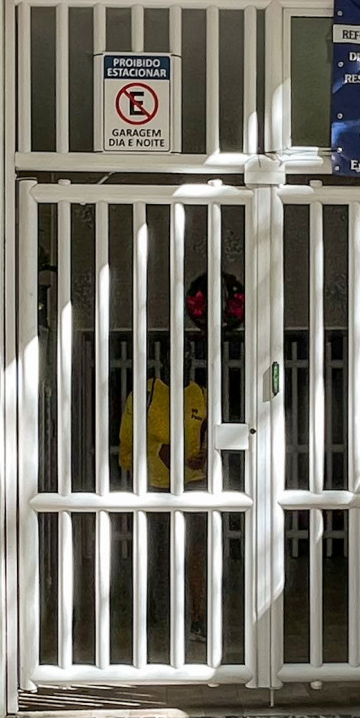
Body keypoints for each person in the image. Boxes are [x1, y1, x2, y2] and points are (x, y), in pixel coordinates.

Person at [118, 271, 241, 647]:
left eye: (186, 358)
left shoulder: (200, 394)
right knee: (155, 554)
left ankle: (199, 617)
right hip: (155, 487)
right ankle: (151, 613)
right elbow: (127, 442)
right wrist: (148, 459)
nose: (181, 364)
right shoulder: (146, 394)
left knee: (197, 554)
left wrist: (206, 457)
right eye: (175, 358)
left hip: (194, 486)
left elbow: (212, 437)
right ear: (163, 362)